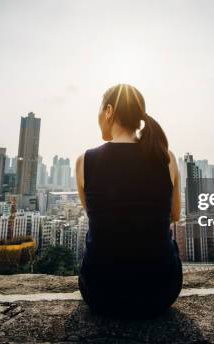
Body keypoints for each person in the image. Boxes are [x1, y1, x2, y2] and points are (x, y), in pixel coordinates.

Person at [76, 83, 183, 318]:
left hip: (100, 292)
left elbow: (96, 215)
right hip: (161, 291)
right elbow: (175, 215)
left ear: (109, 111)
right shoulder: (166, 158)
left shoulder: (85, 161)